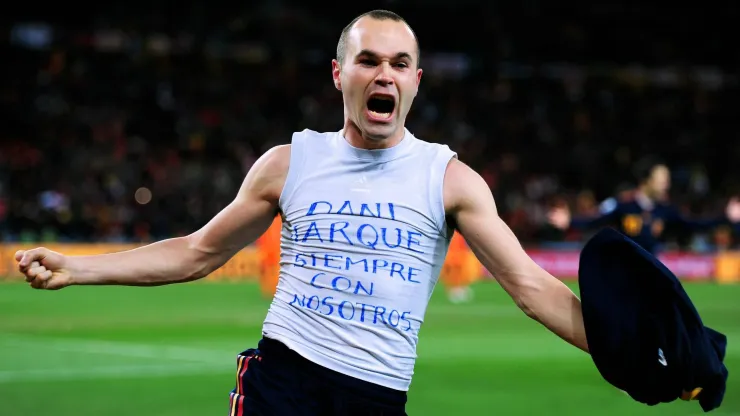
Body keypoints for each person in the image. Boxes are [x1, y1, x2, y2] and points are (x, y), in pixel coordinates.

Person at [16, 10, 589, 415]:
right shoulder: (290, 162)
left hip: (378, 395)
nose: (383, 73)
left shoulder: (450, 179)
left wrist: (644, 358)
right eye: (367, 60)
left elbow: (532, 289)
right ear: (341, 75)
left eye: (398, 62)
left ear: (415, 81)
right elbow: (197, 252)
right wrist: (78, 267)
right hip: (282, 382)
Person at [548, 158, 740, 254]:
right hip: (623, 270)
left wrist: (725, 217)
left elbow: (695, 224)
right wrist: (570, 220)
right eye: (661, 179)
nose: (666, 184)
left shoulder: (666, 210)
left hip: (652, 271)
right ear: (646, 181)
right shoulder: (624, 205)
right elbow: (595, 219)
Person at [439, 230, 480, 303]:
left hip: (460, 254)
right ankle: (454, 289)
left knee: (461, 272)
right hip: (453, 254)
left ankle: (459, 288)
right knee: (453, 273)